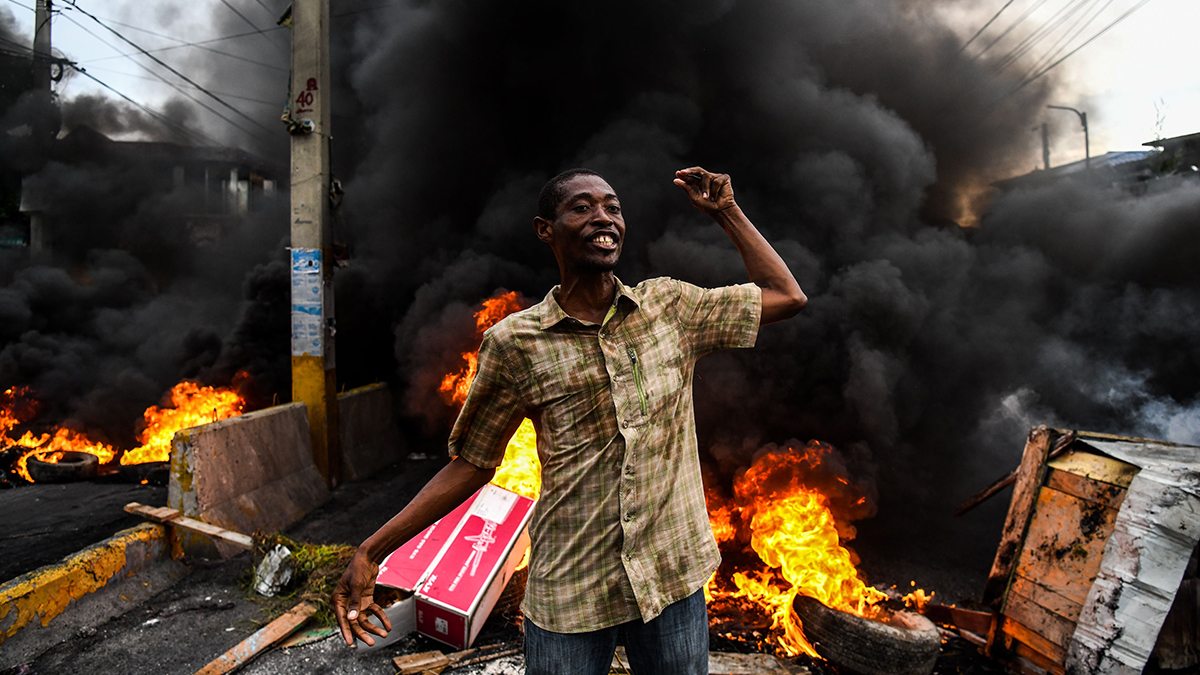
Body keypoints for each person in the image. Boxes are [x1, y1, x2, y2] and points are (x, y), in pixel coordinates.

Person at [332, 167, 806, 675]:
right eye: (582, 207)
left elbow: (787, 295)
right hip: (571, 592)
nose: (604, 218)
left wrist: (725, 212)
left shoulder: (670, 306)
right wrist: (372, 550)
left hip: (671, 577)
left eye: (613, 207)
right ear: (545, 229)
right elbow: (471, 463)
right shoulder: (515, 344)